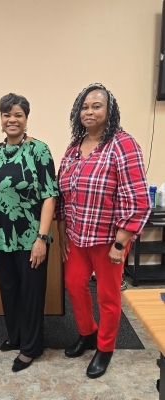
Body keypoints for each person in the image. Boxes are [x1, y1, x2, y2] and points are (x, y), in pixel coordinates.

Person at [55, 83, 151, 379]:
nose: (89, 111)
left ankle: (106, 347)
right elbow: (63, 195)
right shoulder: (74, 148)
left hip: (109, 240)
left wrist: (121, 243)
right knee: (74, 285)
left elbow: (137, 198)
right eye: (84, 106)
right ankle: (88, 333)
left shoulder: (123, 144)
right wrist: (61, 235)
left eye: (97, 106)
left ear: (110, 111)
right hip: (77, 236)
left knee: (108, 297)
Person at [0, 93, 59, 372]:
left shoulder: (39, 150)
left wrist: (42, 238)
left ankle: (31, 347)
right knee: (9, 290)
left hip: (30, 237)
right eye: (6, 115)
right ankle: (16, 336)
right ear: (1, 119)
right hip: (2, 238)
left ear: (26, 119)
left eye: (18, 115)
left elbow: (50, 195)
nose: (12, 120)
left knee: (31, 293)